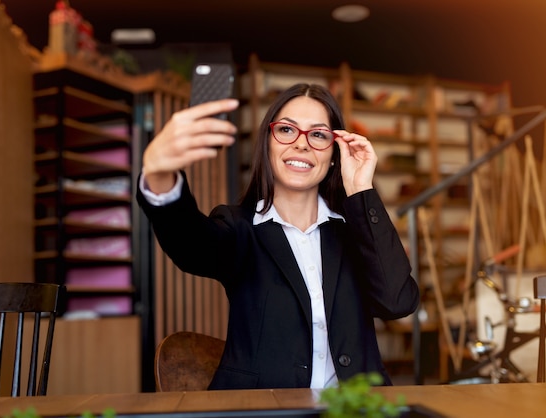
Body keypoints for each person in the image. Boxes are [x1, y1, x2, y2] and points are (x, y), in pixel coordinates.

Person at [136, 83, 419, 390]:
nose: (301, 144)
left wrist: (362, 190)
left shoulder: (355, 232)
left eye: (319, 134)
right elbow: (191, 246)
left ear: (334, 154)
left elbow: (397, 302)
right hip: (262, 410)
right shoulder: (239, 228)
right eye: (286, 130)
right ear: (268, 143)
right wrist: (159, 176)